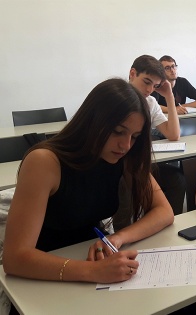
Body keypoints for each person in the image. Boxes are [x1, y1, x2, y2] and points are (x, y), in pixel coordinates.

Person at [2, 78, 177, 313]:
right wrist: (93, 272)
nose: (125, 145)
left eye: (134, 136)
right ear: (92, 122)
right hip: (42, 270)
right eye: (118, 132)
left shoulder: (123, 157)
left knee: (176, 303)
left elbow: (164, 212)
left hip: (94, 255)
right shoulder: (45, 162)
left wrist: (117, 238)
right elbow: (15, 258)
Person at [129, 55, 185, 215]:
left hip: (142, 164)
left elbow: (173, 134)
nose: (149, 90)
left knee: (177, 179)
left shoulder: (150, 102)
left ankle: (171, 224)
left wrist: (169, 97)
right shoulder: (117, 98)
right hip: (121, 165)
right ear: (133, 74)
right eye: (147, 82)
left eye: (155, 86)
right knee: (125, 187)